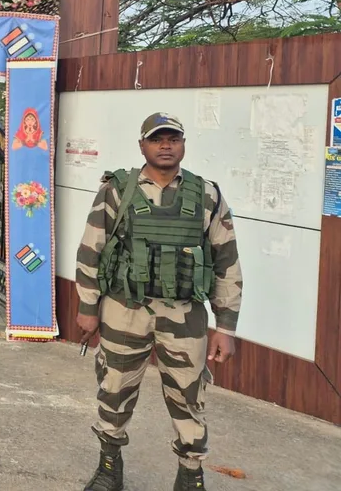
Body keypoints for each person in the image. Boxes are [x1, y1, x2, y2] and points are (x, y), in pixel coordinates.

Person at [76, 113, 242, 491]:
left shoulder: (207, 195)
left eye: (173, 138)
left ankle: (190, 475)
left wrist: (226, 327)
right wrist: (88, 308)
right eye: (157, 139)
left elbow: (226, 262)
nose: (165, 145)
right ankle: (108, 468)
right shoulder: (117, 190)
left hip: (185, 315)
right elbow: (91, 250)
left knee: (189, 395)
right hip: (123, 309)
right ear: (142, 146)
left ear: (183, 145)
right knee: (114, 387)